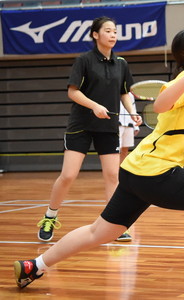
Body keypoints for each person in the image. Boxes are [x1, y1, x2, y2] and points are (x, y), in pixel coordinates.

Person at [15, 29, 184, 300]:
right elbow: (161, 105)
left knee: (99, 232)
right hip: (156, 173)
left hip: (135, 172)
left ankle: (35, 266)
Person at [36, 16, 141, 243]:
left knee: (113, 175)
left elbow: (124, 92)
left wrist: (131, 112)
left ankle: (114, 225)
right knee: (69, 175)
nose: (113, 35)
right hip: (81, 125)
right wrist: (94, 106)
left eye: (115, 31)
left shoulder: (121, 63)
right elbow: (73, 92)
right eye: (108, 31)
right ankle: (50, 217)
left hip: (108, 126)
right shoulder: (84, 60)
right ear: (96, 35)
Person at [116, 93, 141, 242]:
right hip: (117, 123)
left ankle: (122, 176)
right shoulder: (114, 91)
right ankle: (116, 178)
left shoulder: (130, 95)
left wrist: (133, 122)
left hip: (128, 123)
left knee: (125, 151)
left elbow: (132, 108)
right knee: (116, 151)